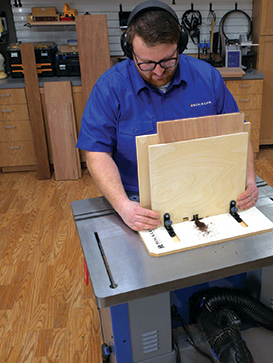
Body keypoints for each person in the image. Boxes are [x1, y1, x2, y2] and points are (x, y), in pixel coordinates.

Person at [77, 0, 258, 231]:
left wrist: (249, 181)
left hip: (207, 192)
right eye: (146, 63)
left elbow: (238, 133)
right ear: (129, 51)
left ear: (179, 45)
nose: (159, 71)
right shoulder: (109, 88)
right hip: (139, 202)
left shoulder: (208, 78)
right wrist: (124, 206)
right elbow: (96, 152)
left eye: (167, 60)